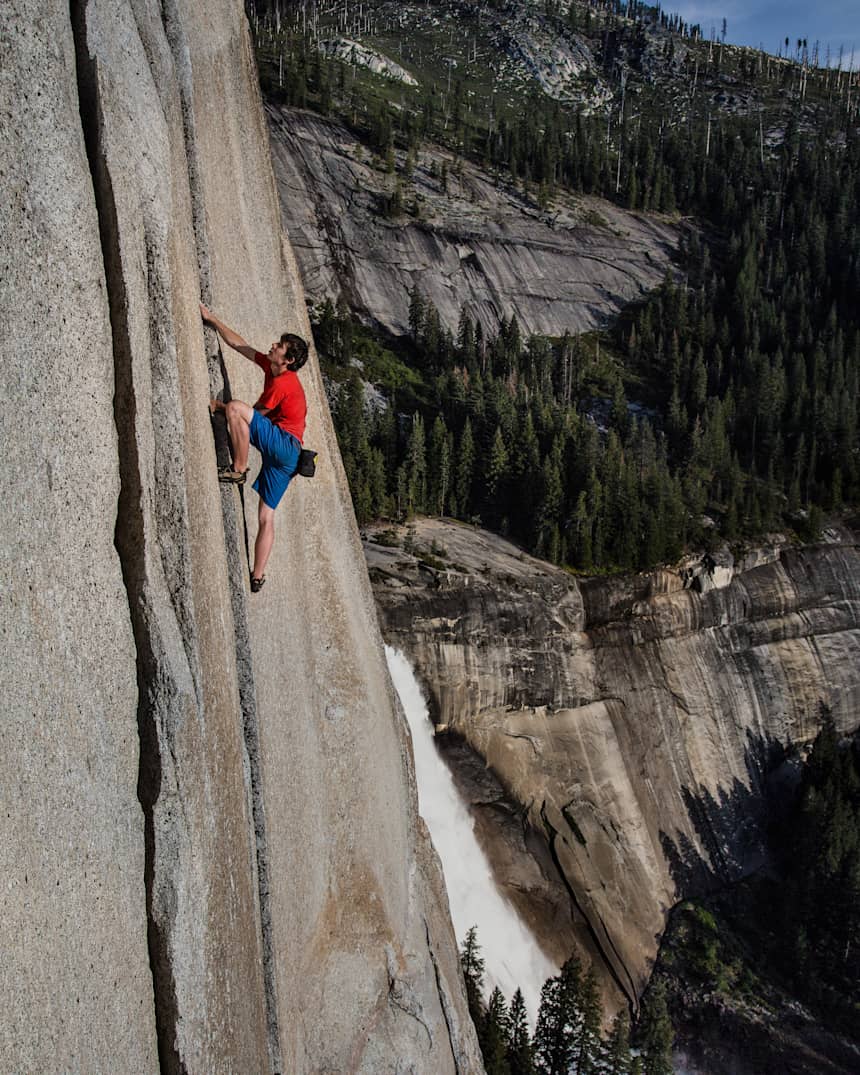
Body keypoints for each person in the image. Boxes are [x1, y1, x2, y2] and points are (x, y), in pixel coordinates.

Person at [201, 303, 308, 593]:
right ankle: (258, 575)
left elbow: (253, 415)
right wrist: (213, 319)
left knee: (235, 408)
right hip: (290, 456)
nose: (273, 346)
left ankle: (238, 469)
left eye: (280, 346)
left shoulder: (283, 383)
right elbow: (241, 345)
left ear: (288, 359)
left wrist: (219, 406)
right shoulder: (273, 367)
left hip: (284, 446)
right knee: (266, 516)